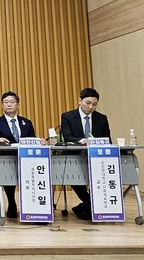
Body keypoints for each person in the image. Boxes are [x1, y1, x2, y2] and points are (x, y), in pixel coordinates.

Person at [60, 87, 111, 220]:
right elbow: (67, 137)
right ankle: (91, 205)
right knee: (73, 175)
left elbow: (107, 139)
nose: (90, 107)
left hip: (97, 157)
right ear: (80, 101)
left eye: (94, 104)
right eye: (88, 103)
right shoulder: (68, 116)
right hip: (75, 155)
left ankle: (85, 207)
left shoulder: (101, 118)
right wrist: (83, 141)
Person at [0, 90, 36, 219]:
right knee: (7, 172)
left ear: (18, 105)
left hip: (25, 158)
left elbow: (32, 140)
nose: (9, 104)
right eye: (6, 102)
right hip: (6, 157)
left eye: (12, 102)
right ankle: (11, 202)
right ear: (2, 105)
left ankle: (31, 206)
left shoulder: (27, 122)